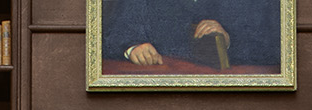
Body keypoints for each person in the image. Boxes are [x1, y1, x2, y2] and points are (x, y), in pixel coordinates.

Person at [99, 0, 280, 70]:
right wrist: (132, 47)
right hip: (157, 90)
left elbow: (277, 47)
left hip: (228, 96)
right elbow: (109, 34)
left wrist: (228, 39)